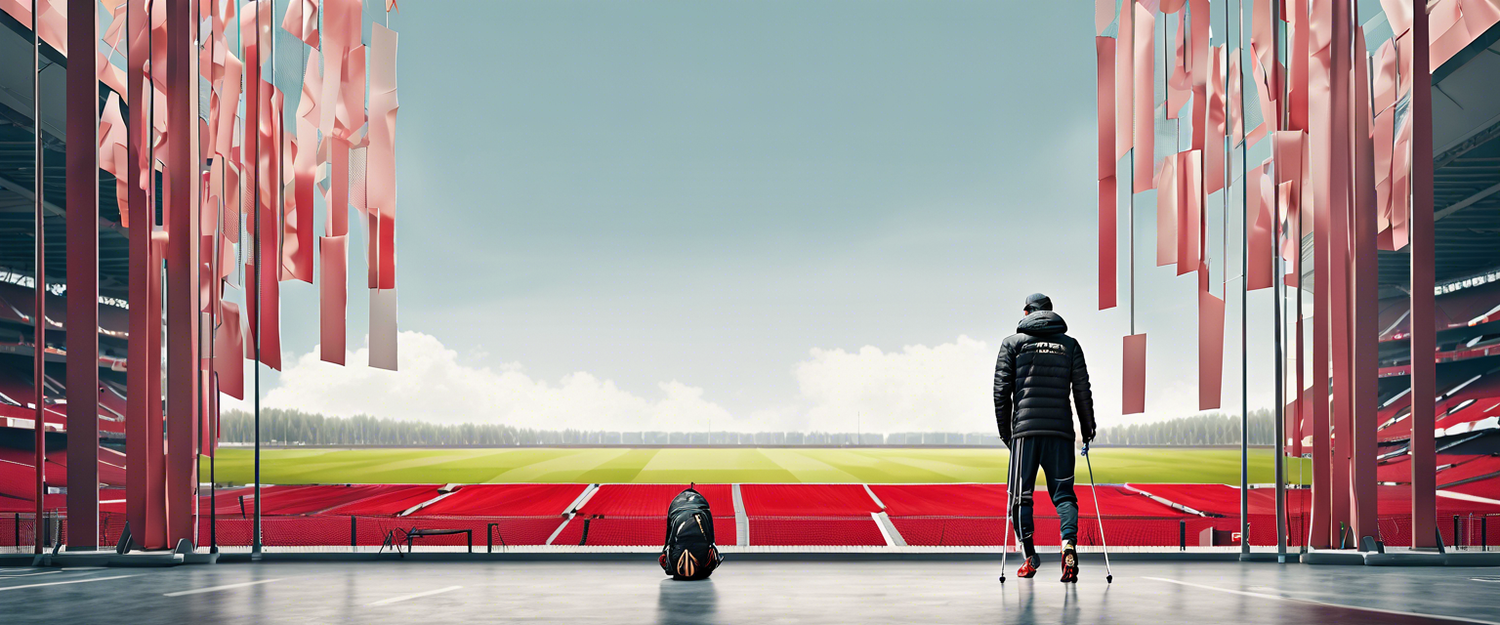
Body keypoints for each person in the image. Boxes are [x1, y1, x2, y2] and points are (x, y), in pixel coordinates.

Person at [993, 293, 1095, 583]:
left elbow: (1001, 392)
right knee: (1064, 495)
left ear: (1027, 311)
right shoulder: (1070, 345)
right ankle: (1068, 546)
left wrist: (1007, 434)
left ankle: (1030, 557)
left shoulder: (1012, 344)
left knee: (1021, 496)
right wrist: (1088, 429)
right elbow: (1082, 391)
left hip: (1025, 434)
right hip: (1061, 433)